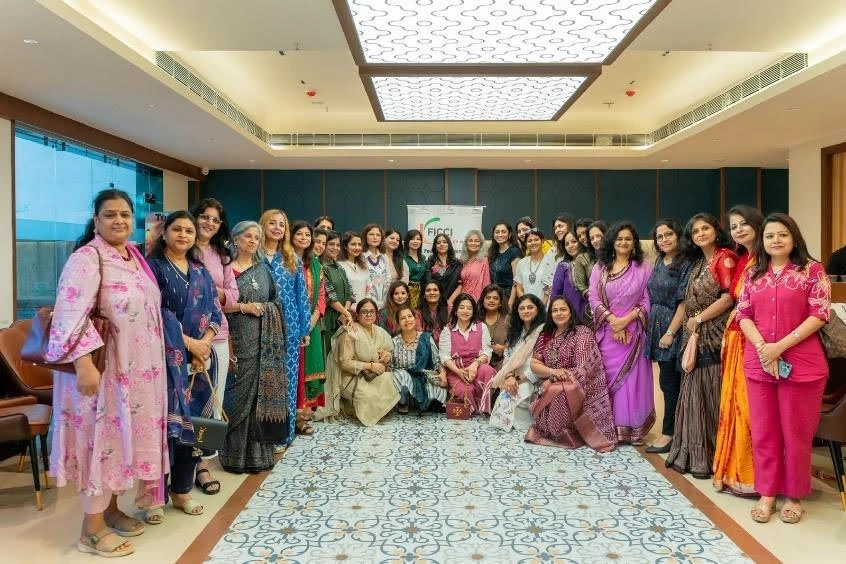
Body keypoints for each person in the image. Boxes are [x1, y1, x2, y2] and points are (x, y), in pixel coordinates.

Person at [47, 189, 168, 558]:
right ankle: (91, 530)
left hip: (138, 374)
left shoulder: (133, 256)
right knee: (101, 442)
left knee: (123, 442)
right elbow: (69, 314)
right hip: (103, 374)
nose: (119, 221)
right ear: (96, 220)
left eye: (125, 214)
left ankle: (112, 510)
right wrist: (83, 365)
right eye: (110, 214)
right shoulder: (87, 258)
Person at [737, 214, 830, 524]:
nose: (775, 240)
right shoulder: (753, 274)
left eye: (782, 234)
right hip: (759, 362)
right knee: (764, 432)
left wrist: (780, 347)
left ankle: (794, 494)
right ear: (762, 241)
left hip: (802, 365)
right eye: (769, 236)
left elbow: (819, 314)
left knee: (796, 435)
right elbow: (743, 314)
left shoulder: (812, 271)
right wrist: (764, 348)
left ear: (794, 238)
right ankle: (767, 492)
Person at [146, 210, 223, 522]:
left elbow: (215, 311)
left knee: (197, 428)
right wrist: (190, 344)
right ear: (164, 233)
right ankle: (153, 497)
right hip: (165, 361)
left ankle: (182, 491)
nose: (183, 235)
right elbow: (155, 312)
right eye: (177, 229)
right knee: (165, 429)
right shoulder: (152, 267)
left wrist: (204, 343)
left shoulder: (200, 271)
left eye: (188, 231)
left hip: (201, 362)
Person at [665, 213, 737, 478]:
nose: (701, 234)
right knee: (693, 392)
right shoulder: (697, 263)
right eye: (695, 231)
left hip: (714, 334)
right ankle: (695, 453)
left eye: (705, 228)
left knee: (711, 392)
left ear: (716, 231)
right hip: (694, 335)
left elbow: (728, 298)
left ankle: (715, 455)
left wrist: (699, 319)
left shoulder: (725, 257)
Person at [221, 221, 288, 473]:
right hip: (234, 337)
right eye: (247, 236)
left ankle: (259, 456)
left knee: (259, 395)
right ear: (235, 239)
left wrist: (268, 310)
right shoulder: (225, 270)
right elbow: (215, 303)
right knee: (236, 394)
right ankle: (231, 455)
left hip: (263, 340)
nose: (252, 240)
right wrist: (243, 307)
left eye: (256, 237)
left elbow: (275, 300)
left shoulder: (262, 270)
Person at [713, 205, 764, 495]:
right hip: (736, 340)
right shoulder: (743, 258)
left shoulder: (766, 260)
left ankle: (754, 476)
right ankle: (734, 472)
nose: (739, 230)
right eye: (734, 226)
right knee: (733, 405)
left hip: (754, 341)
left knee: (749, 407)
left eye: (744, 223)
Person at [588, 221, 654, 445]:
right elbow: (593, 297)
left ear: (634, 243)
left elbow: (647, 300)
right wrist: (613, 321)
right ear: (612, 242)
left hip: (633, 333)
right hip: (607, 332)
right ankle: (607, 427)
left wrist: (625, 321)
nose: (623, 242)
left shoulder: (644, 268)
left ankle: (631, 430)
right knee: (607, 379)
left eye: (628, 239)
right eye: (619, 239)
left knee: (631, 382)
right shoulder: (600, 268)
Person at [525, 296, 618, 451]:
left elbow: (583, 368)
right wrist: (553, 373)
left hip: (578, 384)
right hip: (551, 379)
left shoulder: (582, 333)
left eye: (563, 309)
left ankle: (565, 434)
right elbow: (534, 364)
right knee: (552, 388)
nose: (559, 313)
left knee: (557, 389)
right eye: (555, 310)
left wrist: (553, 379)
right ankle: (549, 432)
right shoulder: (546, 334)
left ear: (571, 312)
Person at [190, 197, 238, 494]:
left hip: (217, 336)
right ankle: (181, 466)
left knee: (212, 403)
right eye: (204, 217)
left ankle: (204, 465)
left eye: (215, 220)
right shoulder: (181, 249)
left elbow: (233, 296)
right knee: (185, 404)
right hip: (183, 338)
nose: (209, 223)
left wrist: (213, 290)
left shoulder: (222, 255)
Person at [261, 209, 310, 447]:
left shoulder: (292, 258)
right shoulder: (253, 256)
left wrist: (304, 329)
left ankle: (284, 435)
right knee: (262, 382)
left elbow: (302, 296)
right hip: (258, 327)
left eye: (282, 224)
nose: (277, 228)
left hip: (288, 328)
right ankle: (261, 438)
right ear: (263, 225)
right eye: (272, 223)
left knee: (288, 382)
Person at [644, 219, 691, 455]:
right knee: (667, 383)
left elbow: (684, 302)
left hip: (674, 327)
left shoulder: (686, 263)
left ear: (678, 235)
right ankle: (674, 432)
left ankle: (669, 434)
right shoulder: (660, 261)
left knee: (671, 383)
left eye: (668, 234)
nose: (664, 239)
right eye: (660, 236)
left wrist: (671, 333)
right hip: (657, 324)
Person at [329, 298, 400, 427]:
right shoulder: (351, 332)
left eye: (372, 311)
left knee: (390, 380)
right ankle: (356, 409)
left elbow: (389, 350)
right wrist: (371, 366)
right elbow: (344, 362)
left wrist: (387, 356)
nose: (368, 315)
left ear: (376, 314)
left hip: (372, 375)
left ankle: (373, 410)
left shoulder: (379, 331)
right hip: (350, 377)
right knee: (367, 395)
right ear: (357, 314)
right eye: (364, 312)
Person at [486, 294, 546, 431]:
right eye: (522, 308)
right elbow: (508, 357)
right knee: (504, 400)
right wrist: (509, 377)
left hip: (534, 377)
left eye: (530, 307)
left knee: (519, 399)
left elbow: (542, 361)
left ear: (538, 309)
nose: (526, 311)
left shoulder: (543, 331)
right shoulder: (516, 332)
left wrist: (518, 379)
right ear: (517, 312)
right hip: (513, 378)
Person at [290, 221, 327, 432]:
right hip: (289, 325)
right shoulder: (285, 261)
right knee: (293, 371)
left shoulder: (315, 264)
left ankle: (303, 416)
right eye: (299, 234)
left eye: (307, 235)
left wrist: (312, 320)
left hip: (311, 325)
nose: (304, 238)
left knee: (309, 369)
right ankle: (291, 418)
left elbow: (321, 295)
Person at [439, 293, 496, 414]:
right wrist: (459, 372)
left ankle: (484, 407)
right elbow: (444, 356)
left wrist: (475, 365)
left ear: (473, 311)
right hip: (456, 370)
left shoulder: (481, 327)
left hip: (477, 367)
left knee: (488, 371)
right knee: (466, 392)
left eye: (469, 308)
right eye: (462, 307)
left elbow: (487, 351)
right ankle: (473, 410)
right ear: (455, 311)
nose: (465, 311)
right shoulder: (447, 330)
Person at [391, 306, 448, 414]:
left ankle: (423, 402)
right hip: (403, 381)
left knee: (439, 386)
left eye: (409, 316)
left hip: (423, 377)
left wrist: (443, 373)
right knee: (401, 375)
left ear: (415, 318)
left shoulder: (426, 338)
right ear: (398, 323)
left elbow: (436, 361)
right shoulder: (394, 342)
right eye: (402, 318)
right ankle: (403, 401)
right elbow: (391, 367)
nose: (407, 320)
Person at [319, 230, 354, 350]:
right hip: (327, 319)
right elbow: (330, 296)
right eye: (331, 244)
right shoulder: (320, 266)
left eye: (338, 245)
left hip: (343, 319)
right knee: (328, 353)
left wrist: (345, 313)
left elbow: (350, 292)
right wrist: (346, 313)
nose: (335, 248)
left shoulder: (340, 267)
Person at [573, 221, 606, 325]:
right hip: (594, 306)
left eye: (584, 233)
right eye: (579, 236)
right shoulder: (581, 258)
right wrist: (596, 298)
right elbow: (580, 285)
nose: (583, 237)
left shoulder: (615, 254)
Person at [550, 230, 586, 322]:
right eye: (567, 244)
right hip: (569, 317)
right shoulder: (563, 266)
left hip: (592, 313)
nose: (570, 246)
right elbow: (555, 294)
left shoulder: (593, 263)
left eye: (574, 241)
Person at [487, 221, 522, 307]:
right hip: (495, 297)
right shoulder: (493, 252)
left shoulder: (514, 252)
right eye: (497, 232)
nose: (500, 235)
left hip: (508, 297)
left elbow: (517, 281)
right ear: (493, 235)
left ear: (509, 234)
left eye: (503, 232)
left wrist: (510, 302)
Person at [423, 233, 462, 308]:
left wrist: (449, 301)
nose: (442, 244)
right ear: (435, 246)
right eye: (438, 243)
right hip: (433, 303)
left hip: (452, 303)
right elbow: (428, 283)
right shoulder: (429, 263)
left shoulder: (457, 263)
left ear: (449, 244)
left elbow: (460, 285)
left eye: (444, 242)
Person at [338, 231, 371, 311]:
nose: (357, 247)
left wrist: (366, 307)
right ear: (345, 246)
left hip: (363, 310)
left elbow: (368, 289)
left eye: (359, 244)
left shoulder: (364, 266)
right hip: (345, 311)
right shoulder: (339, 265)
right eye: (353, 244)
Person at [479, 284, 509, 370]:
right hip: (479, 363)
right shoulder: (476, 320)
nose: (491, 300)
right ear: (483, 301)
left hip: (503, 364)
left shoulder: (508, 319)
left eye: (495, 298)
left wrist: (504, 349)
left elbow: (518, 345)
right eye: (488, 298)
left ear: (500, 303)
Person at [514, 229, 549, 302]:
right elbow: (519, 288)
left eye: (536, 240)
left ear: (542, 241)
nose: (533, 243)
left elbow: (550, 289)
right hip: (526, 306)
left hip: (545, 305)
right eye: (529, 241)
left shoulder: (550, 261)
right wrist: (527, 303)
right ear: (526, 244)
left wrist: (541, 306)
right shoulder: (521, 263)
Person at [362, 223, 391, 309]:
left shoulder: (384, 257)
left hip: (384, 304)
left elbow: (388, 279)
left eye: (378, 235)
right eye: (371, 234)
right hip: (366, 304)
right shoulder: (360, 256)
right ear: (365, 236)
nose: (375, 237)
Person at [458, 229, 491, 301]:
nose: (473, 243)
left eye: (477, 241)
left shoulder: (484, 261)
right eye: (470, 240)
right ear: (466, 244)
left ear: (481, 244)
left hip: (478, 299)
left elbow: (486, 283)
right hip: (463, 299)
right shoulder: (463, 261)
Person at [403, 229, 426, 308]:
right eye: (412, 239)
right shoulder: (402, 257)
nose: (415, 241)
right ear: (407, 241)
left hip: (420, 292)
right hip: (406, 290)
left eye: (418, 239)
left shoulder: (423, 258)